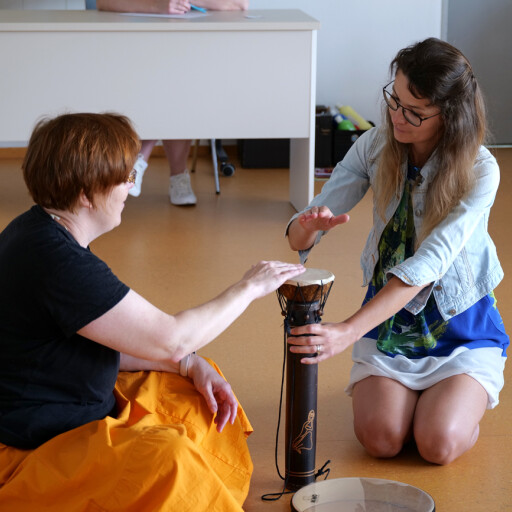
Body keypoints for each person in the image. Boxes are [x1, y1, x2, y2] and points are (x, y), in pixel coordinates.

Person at [0, 113, 304, 510]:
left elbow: (114, 336)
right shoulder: (55, 260)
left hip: (75, 407)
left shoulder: (42, 231)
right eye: (124, 177)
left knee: (198, 394)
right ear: (86, 194)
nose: (130, 185)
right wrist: (248, 288)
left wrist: (189, 364)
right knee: (170, 457)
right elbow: (171, 338)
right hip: (40, 446)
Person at [285, 38, 509, 466]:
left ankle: (454, 404)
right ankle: (420, 403)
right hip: (391, 322)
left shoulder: (481, 169)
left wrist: (347, 331)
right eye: (395, 100)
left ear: (451, 117)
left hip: (460, 325)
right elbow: (303, 232)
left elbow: (429, 265)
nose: (396, 117)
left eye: (414, 112)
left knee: (437, 444)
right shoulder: (374, 144)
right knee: (381, 440)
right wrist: (307, 228)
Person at [91, 0, 250, 205]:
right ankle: (170, 174)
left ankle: (139, 165)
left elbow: (240, 4)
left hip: (189, 51)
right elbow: (104, 2)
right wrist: (156, 5)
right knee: (165, 81)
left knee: (179, 81)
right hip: (133, 50)